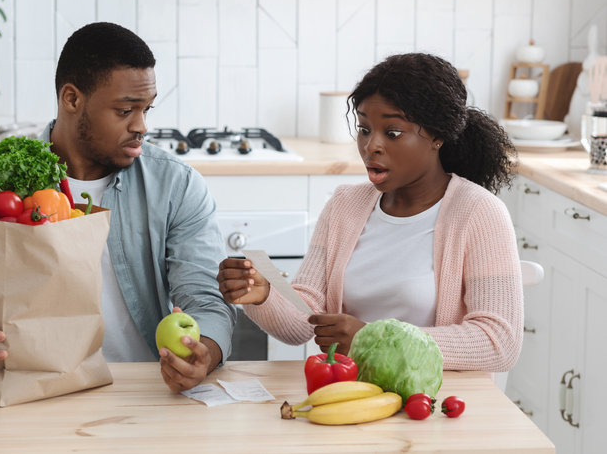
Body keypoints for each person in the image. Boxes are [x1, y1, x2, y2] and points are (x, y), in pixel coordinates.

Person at [0, 22, 236, 392]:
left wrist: (202, 353)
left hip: (139, 391)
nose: (142, 126)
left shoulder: (176, 185)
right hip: (23, 391)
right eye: (125, 110)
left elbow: (207, 304)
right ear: (72, 99)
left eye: (146, 109)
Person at [218, 53, 523, 373]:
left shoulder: (479, 213)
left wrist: (374, 338)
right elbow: (303, 323)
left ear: (436, 135)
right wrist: (263, 295)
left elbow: (499, 342)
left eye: (392, 132)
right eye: (364, 129)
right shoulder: (344, 206)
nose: (371, 146)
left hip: (434, 403)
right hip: (348, 392)